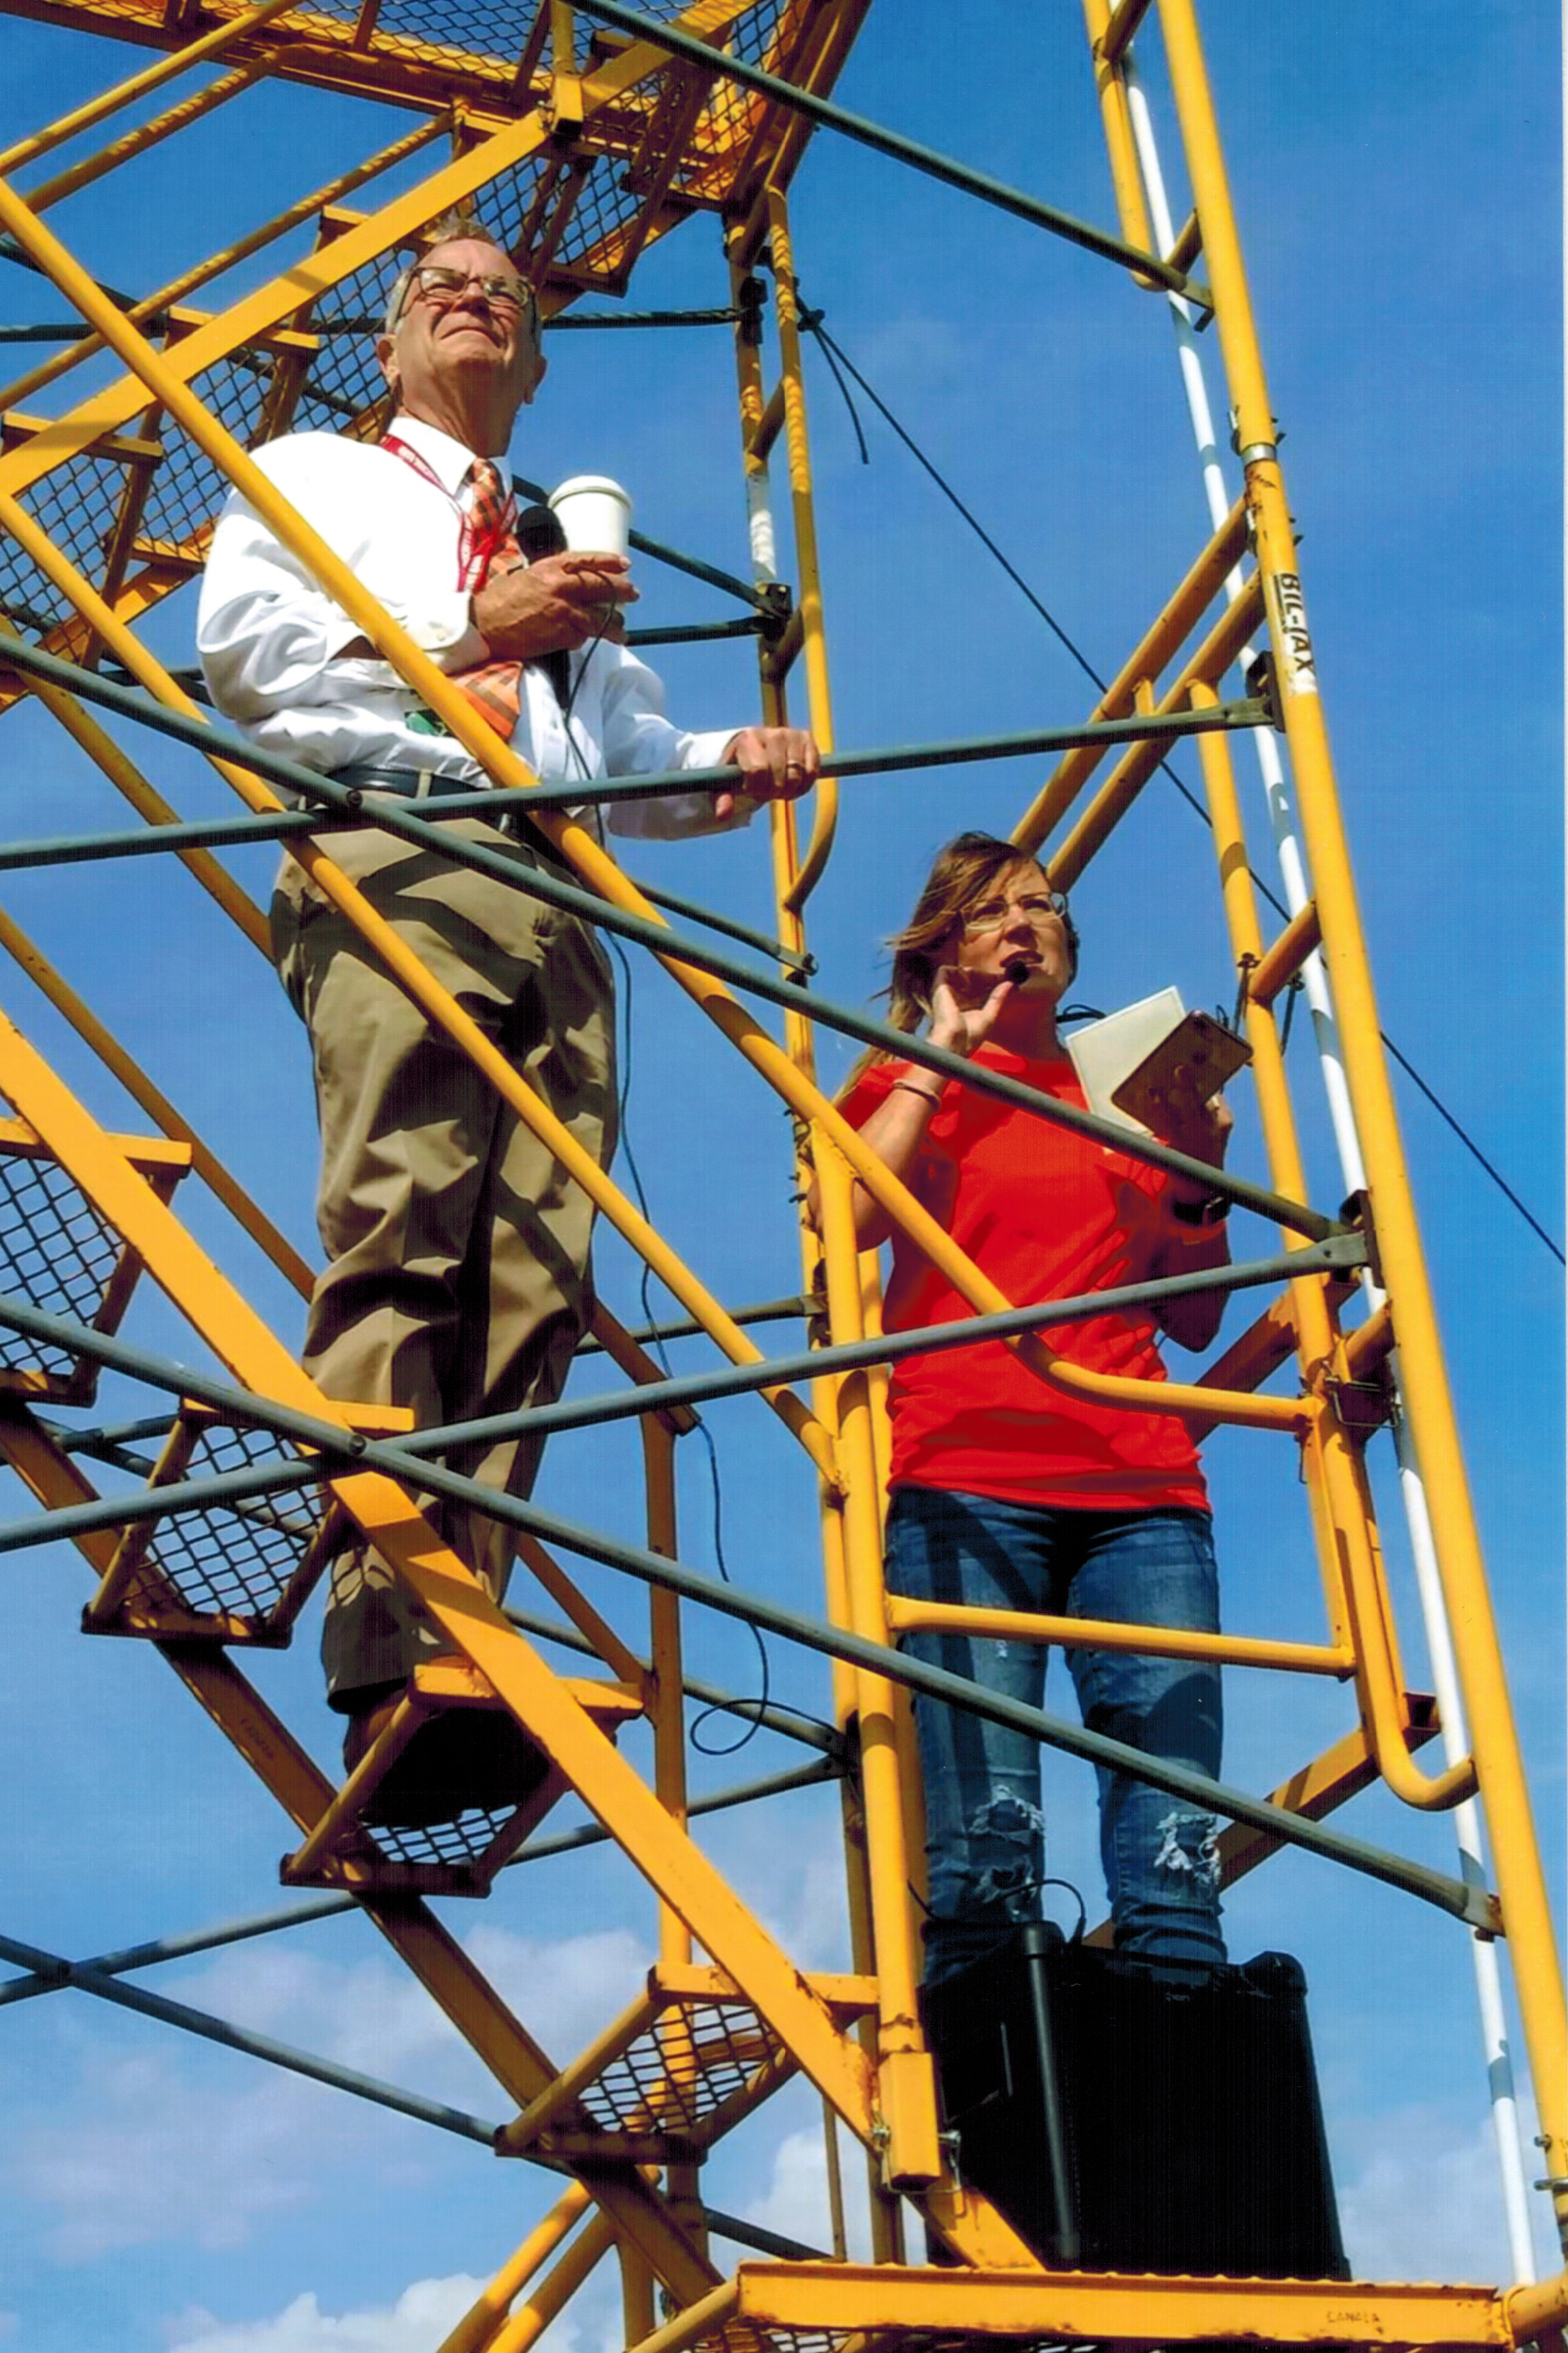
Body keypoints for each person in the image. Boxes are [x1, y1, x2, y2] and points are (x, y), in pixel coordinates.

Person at [198, 213, 817, 1809]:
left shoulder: (546, 535)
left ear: (533, 363)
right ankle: (384, 1650)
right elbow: (253, 665)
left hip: (561, 890)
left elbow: (624, 757)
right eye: (441, 288)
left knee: (536, 1278)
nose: (475, 302)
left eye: (505, 294)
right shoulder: (319, 478)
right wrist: (480, 628)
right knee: (407, 1226)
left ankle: (458, 1631)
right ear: (393, 340)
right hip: (405, 842)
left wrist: (730, 768)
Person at [836, 832, 1234, 1984]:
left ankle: (1185, 2040)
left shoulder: (1123, 1100)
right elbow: (848, 1219)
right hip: (969, 1480)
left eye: (1042, 905)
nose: (1024, 924)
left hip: (1142, 1491)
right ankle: (997, 2070)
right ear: (940, 954)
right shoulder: (902, 1080)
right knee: (987, 1846)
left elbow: (1193, 1318)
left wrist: (1199, 1172)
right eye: (991, 911)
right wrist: (937, 1056)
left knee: (1176, 1848)